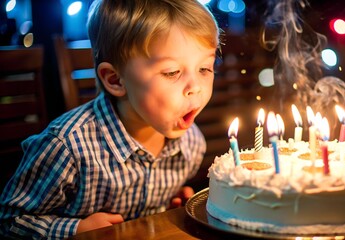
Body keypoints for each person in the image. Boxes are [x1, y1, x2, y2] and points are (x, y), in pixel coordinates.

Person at [0, 0, 220, 238]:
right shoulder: (67, 147)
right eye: (171, 72)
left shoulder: (192, 144)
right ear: (115, 80)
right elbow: (10, 221)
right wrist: (77, 230)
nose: (195, 88)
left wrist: (168, 208)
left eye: (205, 68)